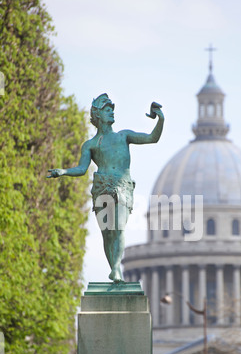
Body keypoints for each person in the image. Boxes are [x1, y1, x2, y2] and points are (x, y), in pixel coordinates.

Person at [47, 93, 164, 283]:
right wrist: (63, 171)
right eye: (108, 110)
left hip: (122, 186)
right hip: (101, 187)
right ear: (98, 115)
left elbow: (152, 138)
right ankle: (113, 268)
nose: (112, 113)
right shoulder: (91, 144)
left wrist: (160, 119)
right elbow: (81, 169)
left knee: (118, 227)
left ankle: (116, 268)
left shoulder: (124, 135)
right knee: (107, 233)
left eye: (112, 110)